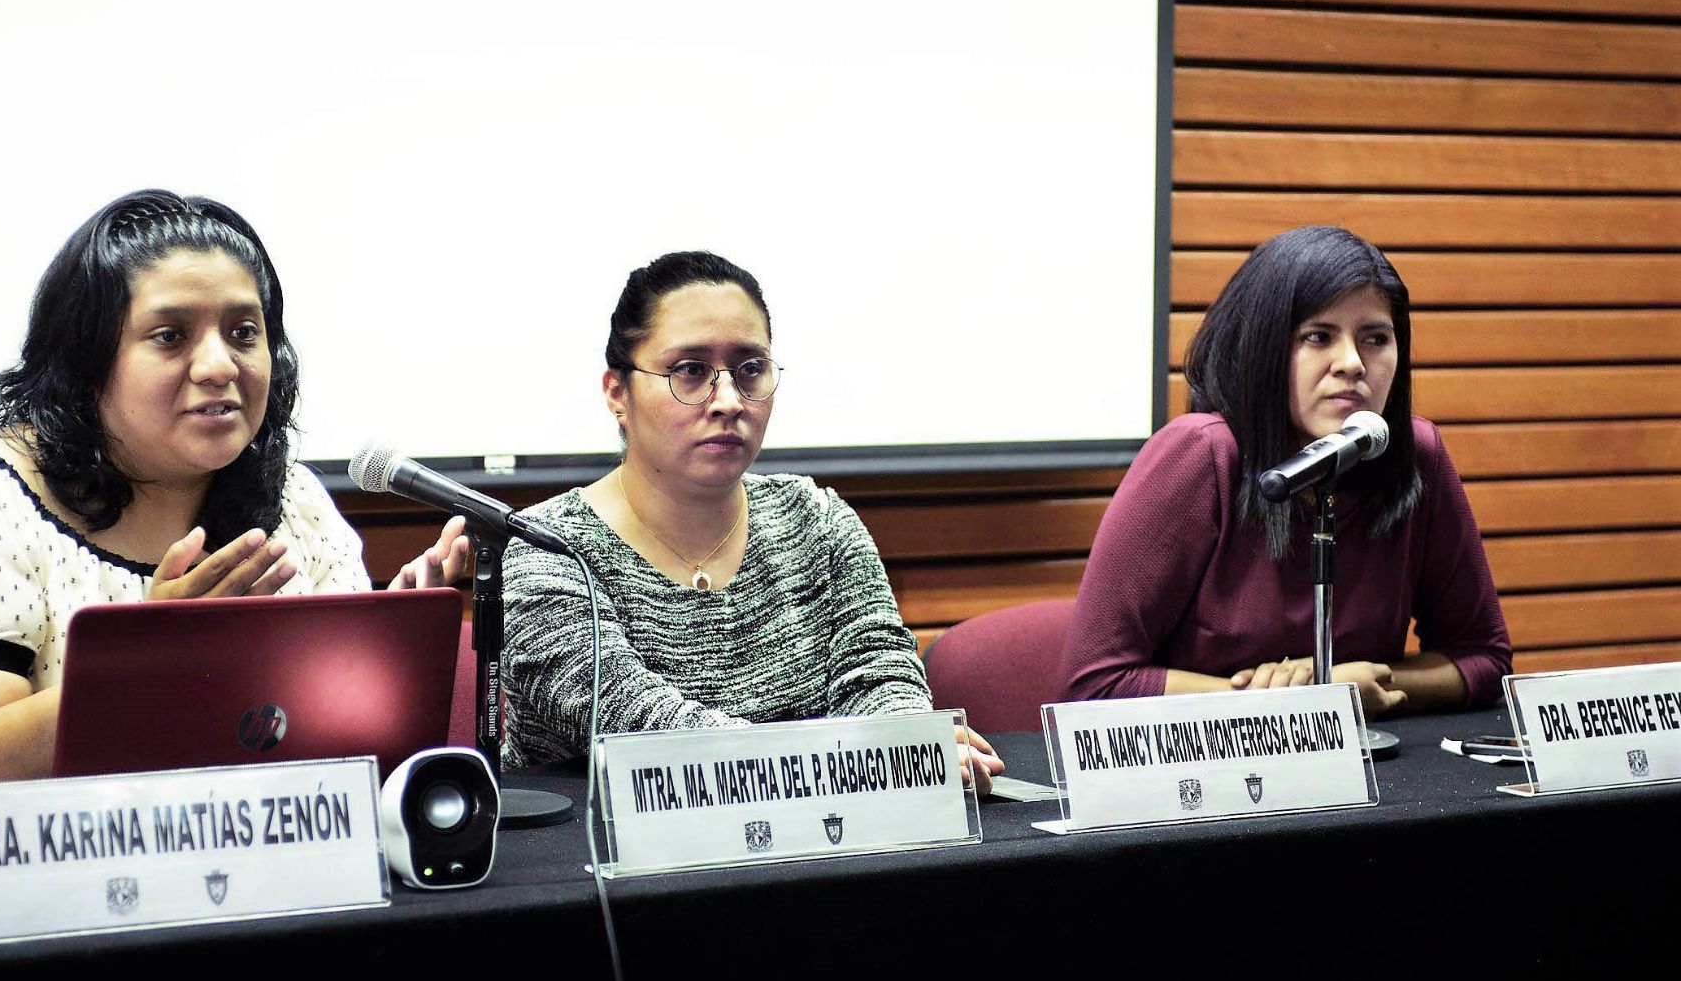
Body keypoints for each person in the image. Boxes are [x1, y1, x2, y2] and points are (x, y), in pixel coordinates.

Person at [0, 190, 467, 823]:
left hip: (205, 877)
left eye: (244, 332)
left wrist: (387, 662)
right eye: (169, 336)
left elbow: (331, 760)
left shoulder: (292, 501)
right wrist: (151, 661)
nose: (219, 365)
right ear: (87, 363)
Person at [499, 251, 1003, 788]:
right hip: (599, 861)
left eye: (750, 370)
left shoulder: (818, 520)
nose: (728, 401)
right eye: (689, 371)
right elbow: (634, 723)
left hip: (818, 847)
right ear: (617, 393)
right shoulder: (546, 547)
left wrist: (910, 740)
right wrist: (856, 758)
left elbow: (880, 676)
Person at [1061, 226, 1511, 715]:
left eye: (1376, 339)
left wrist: (1346, 689)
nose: (1352, 363)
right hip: (1200, 770)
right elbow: (1094, 683)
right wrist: (1297, 703)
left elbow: (1484, 659)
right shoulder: (1199, 456)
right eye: (1318, 337)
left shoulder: (1416, 455)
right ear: (1262, 350)